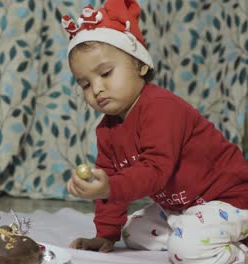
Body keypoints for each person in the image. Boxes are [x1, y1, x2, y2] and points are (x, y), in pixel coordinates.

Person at [61, 0, 248, 263]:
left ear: (141, 65)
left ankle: (239, 250)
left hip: (229, 199)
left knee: (186, 251)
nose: (97, 88)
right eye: (85, 83)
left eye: (105, 73)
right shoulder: (108, 128)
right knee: (133, 233)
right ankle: (198, 230)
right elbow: (111, 180)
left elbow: (155, 173)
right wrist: (106, 234)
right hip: (183, 206)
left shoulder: (161, 108)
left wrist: (109, 187)